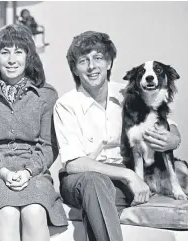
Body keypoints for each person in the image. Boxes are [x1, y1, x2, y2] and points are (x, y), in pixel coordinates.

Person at [53, 31, 183, 241]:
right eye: (83, 61)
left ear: (109, 63)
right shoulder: (66, 105)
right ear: (75, 70)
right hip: (80, 181)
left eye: (98, 58)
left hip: (120, 185)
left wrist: (174, 137)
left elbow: (166, 122)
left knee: (102, 194)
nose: (92, 66)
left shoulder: (129, 94)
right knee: (94, 183)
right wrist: (129, 176)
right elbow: (74, 163)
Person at [0, 24, 68, 241]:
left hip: (34, 173)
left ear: (29, 57)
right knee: (7, 211)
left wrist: (28, 172)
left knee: (34, 211)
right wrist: (4, 172)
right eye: (4, 52)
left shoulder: (47, 95)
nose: (11, 60)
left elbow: (48, 146)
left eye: (19, 52)